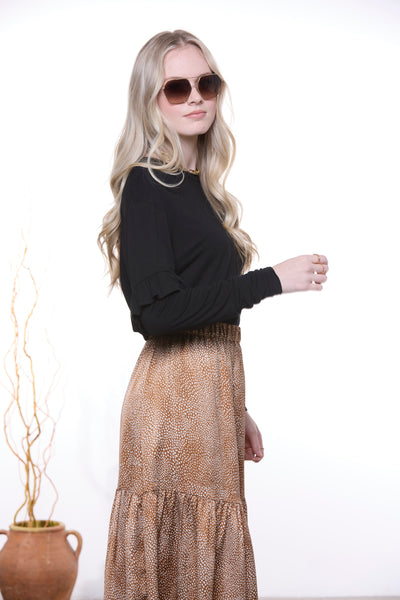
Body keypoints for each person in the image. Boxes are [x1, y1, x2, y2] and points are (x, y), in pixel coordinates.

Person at [98, 29, 328, 600]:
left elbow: (202, 303)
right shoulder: (146, 184)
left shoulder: (202, 189)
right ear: (151, 100)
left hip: (211, 399)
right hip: (172, 401)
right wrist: (271, 280)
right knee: (178, 561)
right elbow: (156, 314)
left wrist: (235, 406)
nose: (196, 96)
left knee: (203, 565)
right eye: (177, 88)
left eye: (207, 83)